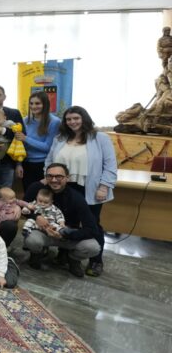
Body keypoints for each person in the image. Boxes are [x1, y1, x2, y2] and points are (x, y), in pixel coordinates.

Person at [45, 106, 117, 277]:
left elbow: (110, 164)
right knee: (65, 221)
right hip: (63, 188)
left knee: (92, 224)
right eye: (69, 119)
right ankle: (66, 254)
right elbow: (49, 161)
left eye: (76, 118)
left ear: (84, 118)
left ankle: (96, 260)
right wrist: (47, 177)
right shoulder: (60, 138)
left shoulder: (100, 138)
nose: (72, 122)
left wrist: (104, 186)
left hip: (89, 188)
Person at [23, 163, 101, 278]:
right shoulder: (36, 188)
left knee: (93, 247)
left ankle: (73, 259)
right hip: (43, 231)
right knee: (31, 239)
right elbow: (23, 208)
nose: (54, 180)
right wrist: (37, 217)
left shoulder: (77, 198)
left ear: (67, 178)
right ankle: (36, 254)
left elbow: (92, 229)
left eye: (59, 176)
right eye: (50, 176)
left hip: (66, 234)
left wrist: (66, 235)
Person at [18, 91, 61, 190]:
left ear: (45, 104)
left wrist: (26, 138)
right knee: (29, 193)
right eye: (31, 103)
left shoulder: (54, 122)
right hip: (26, 163)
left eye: (37, 103)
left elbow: (48, 147)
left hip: (44, 164)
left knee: (43, 195)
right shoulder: (25, 120)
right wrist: (19, 164)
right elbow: (20, 145)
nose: (33, 106)